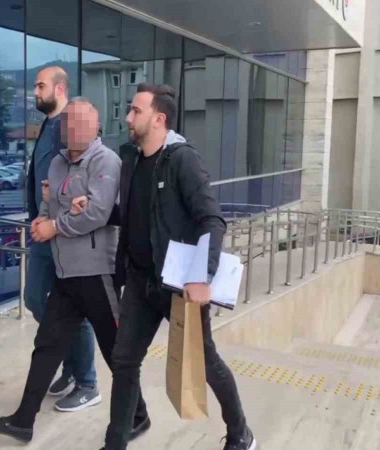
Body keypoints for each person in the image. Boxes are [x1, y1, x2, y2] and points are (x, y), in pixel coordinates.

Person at [0, 98, 151, 444]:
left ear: (95, 126)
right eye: (67, 122)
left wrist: (54, 227)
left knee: (117, 353)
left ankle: (138, 416)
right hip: (65, 274)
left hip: (97, 274)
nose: (72, 128)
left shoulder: (106, 161)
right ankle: (23, 421)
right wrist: (43, 216)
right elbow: (53, 204)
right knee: (46, 345)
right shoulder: (58, 163)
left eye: (80, 122)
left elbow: (98, 213)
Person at [101, 84, 256, 450]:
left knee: (205, 362)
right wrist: (96, 210)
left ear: (159, 119)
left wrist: (203, 277)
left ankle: (241, 433)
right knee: (124, 362)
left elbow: (211, 219)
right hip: (140, 282)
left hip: (179, 287)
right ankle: (114, 444)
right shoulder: (131, 158)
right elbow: (137, 215)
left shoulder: (182, 160)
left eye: (135, 111)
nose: (128, 117)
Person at [23, 66, 99, 410]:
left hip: (66, 233)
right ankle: (71, 365)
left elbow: (87, 179)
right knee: (35, 298)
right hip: (42, 230)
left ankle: (87, 383)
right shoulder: (48, 125)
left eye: (40, 86)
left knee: (73, 309)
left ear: (59, 88)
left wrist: (62, 219)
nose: (35, 92)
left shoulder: (73, 126)